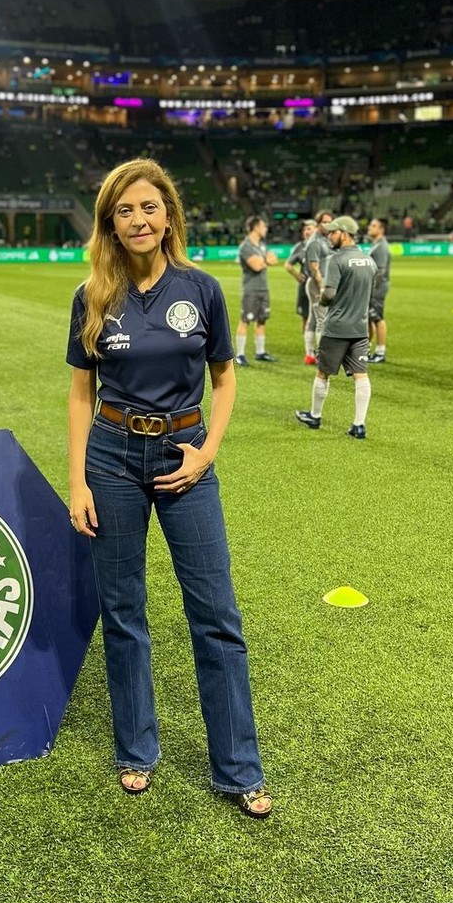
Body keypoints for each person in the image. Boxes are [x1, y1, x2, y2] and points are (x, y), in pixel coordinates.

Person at [66, 158, 272, 819]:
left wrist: (207, 451)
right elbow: (79, 395)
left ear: (169, 215)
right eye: (124, 211)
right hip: (112, 457)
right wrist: (78, 479)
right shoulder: (93, 294)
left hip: (187, 457)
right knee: (123, 611)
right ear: (110, 224)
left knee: (216, 616)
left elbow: (226, 380)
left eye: (149, 207)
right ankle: (136, 750)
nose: (137, 220)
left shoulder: (202, 290)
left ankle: (237, 768)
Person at [295, 215, 376, 438]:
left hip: (337, 327)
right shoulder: (369, 260)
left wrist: (321, 299)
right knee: (361, 375)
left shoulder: (336, 260)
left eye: (333, 232)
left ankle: (315, 415)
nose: (329, 236)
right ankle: (359, 425)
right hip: (360, 329)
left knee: (323, 373)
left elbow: (329, 294)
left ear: (345, 234)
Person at [236, 214, 278, 365]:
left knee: (262, 320)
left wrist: (264, 261)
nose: (266, 229)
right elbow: (256, 266)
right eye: (264, 226)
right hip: (251, 289)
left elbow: (273, 260)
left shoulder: (262, 245)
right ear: (256, 227)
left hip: (263, 288)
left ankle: (260, 352)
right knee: (246, 320)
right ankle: (240, 354)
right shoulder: (246, 246)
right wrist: (266, 261)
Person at [302, 209, 335, 359]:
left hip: (326, 283)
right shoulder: (314, 242)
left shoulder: (327, 239)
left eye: (330, 222)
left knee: (314, 319)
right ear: (318, 224)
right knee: (323, 320)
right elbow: (314, 268)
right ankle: (323, 355)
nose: (328, 225)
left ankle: (309, 353)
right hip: (317, 284)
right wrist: (322, 287)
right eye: (324, 222)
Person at [285, 218, 317, 363]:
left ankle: (322, 349)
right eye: (305, 229)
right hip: (305, 287)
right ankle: (309, 350)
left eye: (310, 228)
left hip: (321, 286)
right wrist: (297, 275)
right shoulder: (300, 247)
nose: (306, 231)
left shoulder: (323, 244)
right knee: (306, 317)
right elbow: (288, 265)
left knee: (323, 318)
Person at [366, 217, 391, 364]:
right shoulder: (376, 245)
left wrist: (370, 288)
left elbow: (380, 272)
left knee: (377, 318)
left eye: (373, 225)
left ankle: (380, 352)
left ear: (381, 229)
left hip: (376, 289)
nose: (370, 227)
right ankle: (365, 350)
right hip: (373, 288)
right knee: (369, 319)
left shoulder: (381, 247)